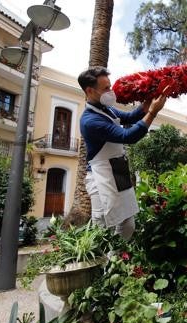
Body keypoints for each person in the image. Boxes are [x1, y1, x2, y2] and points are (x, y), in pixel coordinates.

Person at [77, 66, 167, 240]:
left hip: (117, 172)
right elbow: (128, 136)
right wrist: (152, 112)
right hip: (100, 176)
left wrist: (145, 106)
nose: (110, 91)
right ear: (90, 90)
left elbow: (129, 117)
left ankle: (115, 259)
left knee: (127, 224)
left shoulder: (106, 110)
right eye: (106, 88)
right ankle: (101, 264)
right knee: (102, 227)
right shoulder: (90, 120)